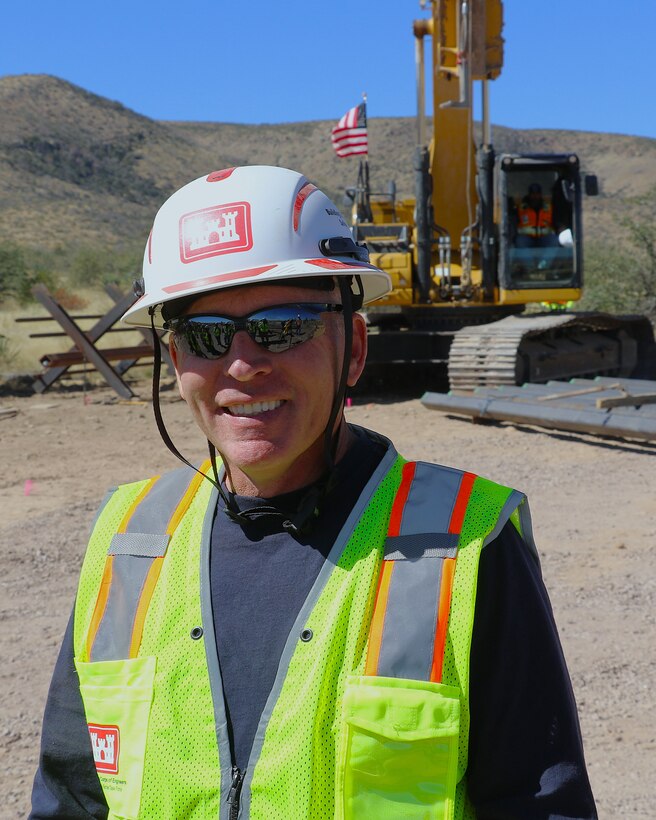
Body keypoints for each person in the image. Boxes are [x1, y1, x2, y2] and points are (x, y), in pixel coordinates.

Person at [31, 166, 597, 819]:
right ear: (177, 361)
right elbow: (71, 798)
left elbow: (539, 803)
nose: (243, 365)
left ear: (352, 347)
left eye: (283, 324)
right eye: (208, 335)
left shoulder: (466, 543)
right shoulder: (128, 542)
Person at [515, 182, 560, 249]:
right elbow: (514, 224)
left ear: (540, 195)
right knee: (519, 241)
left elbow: (556, 223)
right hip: (526, 238)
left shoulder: (549, 208)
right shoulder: (521, 209)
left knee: (554, 240)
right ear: (529, 195)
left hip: (544, 237)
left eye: (537, 193)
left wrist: (560, 228)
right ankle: (529, 260)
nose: (535, 196)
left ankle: (544, 260)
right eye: (533, 194)